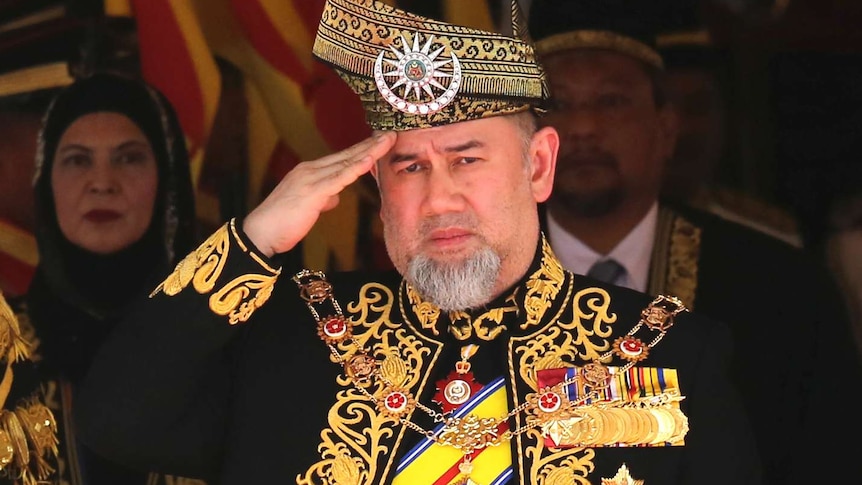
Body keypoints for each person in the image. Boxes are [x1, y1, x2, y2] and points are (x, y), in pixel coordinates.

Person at [75, 1, 760, 484]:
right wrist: (253, 240)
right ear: (376, 183)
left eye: (468, 158)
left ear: (539, 166)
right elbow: (117, 420)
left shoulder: (670, 354)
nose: (439, 198)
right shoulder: (293, 331)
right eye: (409, 166)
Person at [527, 1, 862, 483]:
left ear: (666, 127)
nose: (582, 128)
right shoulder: (482, 287)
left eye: (612, 101)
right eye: (556, 104)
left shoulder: (780, 290)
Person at [14, 72, 206, 484]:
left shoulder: (225, 339)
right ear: (47, 183)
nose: (102, 183)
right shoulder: (5, 351)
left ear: (167, 180)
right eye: (77, 160)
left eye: (129, 157)